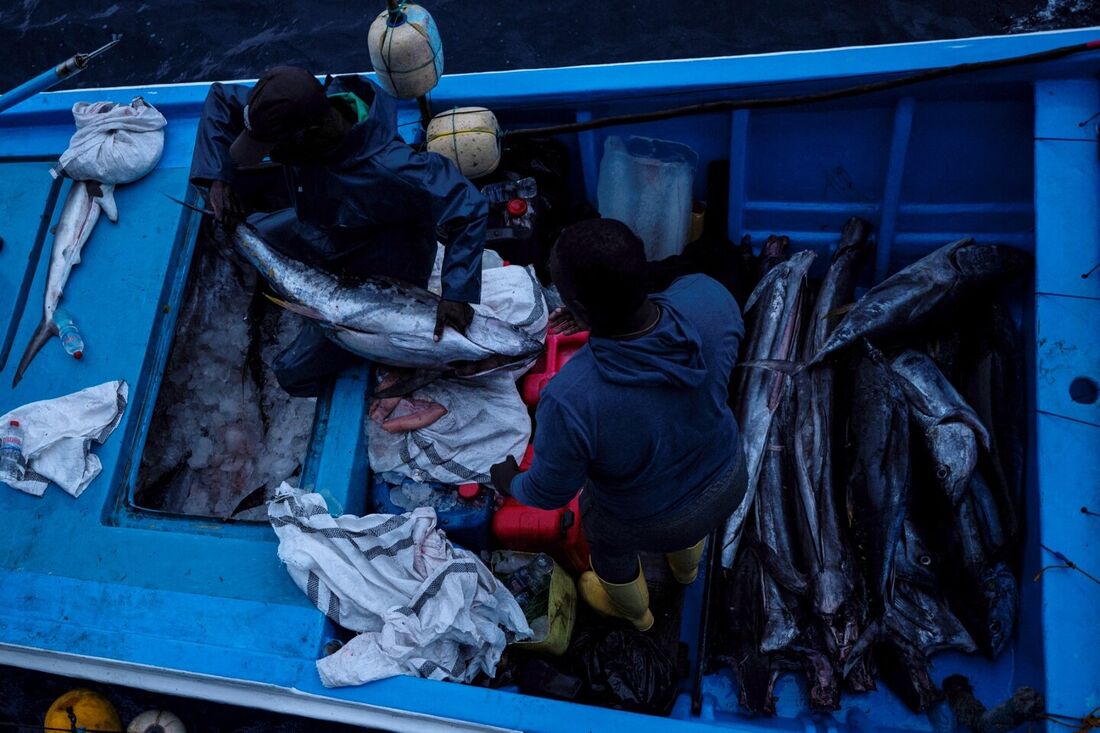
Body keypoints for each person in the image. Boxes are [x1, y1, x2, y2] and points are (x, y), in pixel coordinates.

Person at [491, 219, 747, 631]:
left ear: (577, 307)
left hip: (645, 520)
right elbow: (664, 302)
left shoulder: (570, 396)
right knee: (690, 526)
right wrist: (601, 317)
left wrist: (508, 482)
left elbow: (550, 492)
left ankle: (638, 615)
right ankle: (686, 573)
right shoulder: (710, 298)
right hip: (728, 479)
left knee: (607, 546)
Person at [189, 66, 488, 396]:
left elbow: (468, 204)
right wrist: (219, 177)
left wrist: (457, 292)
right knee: (250, 234)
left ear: (310, 133)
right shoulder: (290, 107)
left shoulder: (393, 166)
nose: (269, 155)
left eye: (274, 148)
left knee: (292, 374)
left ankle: (374, 368)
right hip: (324, 227)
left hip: (385, 264)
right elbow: (219, 97)